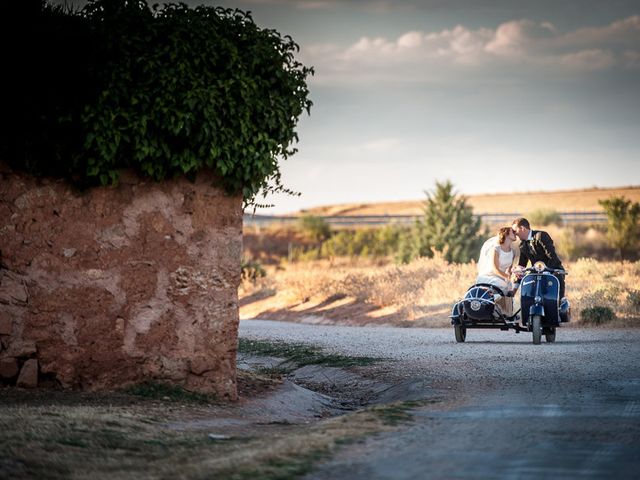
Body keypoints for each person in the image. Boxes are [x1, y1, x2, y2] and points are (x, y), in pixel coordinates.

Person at [511, 217, 566, 299]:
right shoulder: (522, 245)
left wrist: (546, 271)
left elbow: (552, 257)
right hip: (536, 274)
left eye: (515, 231)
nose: (515, 234)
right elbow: (522, 266)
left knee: (555, 299)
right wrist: (515, 286)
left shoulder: (541, 236)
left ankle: (560, 305)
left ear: (522, 228)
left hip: (554, 271)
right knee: (530, 297)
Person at [476, 226, 519, 316]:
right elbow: (495, 269)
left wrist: (513, 276)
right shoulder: (496, 249)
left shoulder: (513, 252)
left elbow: (509, 270)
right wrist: (508, 278)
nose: (516, 234)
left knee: (513, 285)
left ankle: (505, 312)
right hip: (489, 275)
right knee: (502, 284)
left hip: (502, 277)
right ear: (506, 234)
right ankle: (491, 307)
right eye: (513, 232)